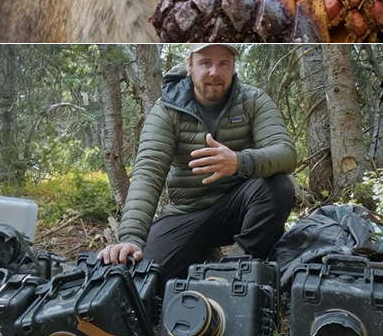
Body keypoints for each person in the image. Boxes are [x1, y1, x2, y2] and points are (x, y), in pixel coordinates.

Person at [99, 45, 296, 281]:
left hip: (240, 206)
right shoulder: (166, 109)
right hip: (188, 212)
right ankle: (203, 254)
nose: (215, 72)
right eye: (205, 63)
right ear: (190, 66)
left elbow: (285, 152)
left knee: (278, 187)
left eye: (224, 63)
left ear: (233, 67)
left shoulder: (253, 100)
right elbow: (148, 173)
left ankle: (234, 269)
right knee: (147, 277)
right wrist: (131, 236)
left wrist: (238, 161)